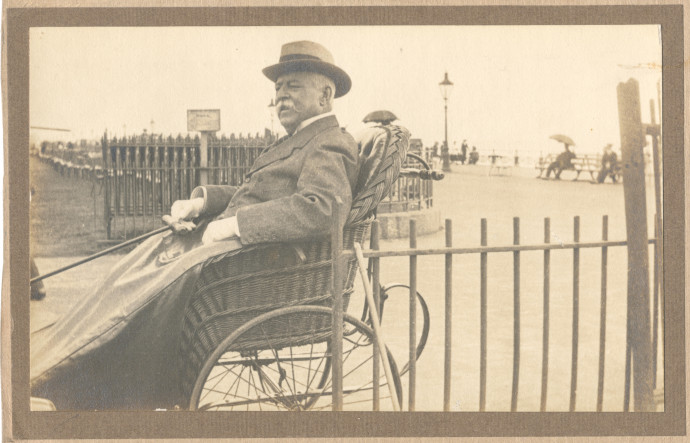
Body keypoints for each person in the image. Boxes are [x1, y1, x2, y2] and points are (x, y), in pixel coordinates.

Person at [31, 40, 358, 410]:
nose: (281, 96)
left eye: (293, 86)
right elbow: (260, 194)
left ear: (326, 95)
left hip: (261, 263)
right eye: (278, 88)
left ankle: (84, 386)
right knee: (132, 269)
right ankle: (58, 362)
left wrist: (237, 224)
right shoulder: (297, 141)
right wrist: (202, 202)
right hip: (232, 251)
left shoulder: (330, 142)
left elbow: (322, 208)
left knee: (142, 294)